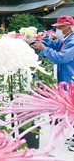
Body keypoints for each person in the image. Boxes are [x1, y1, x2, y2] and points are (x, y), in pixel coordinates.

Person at [33, 15, 74, 151]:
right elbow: (56, 44)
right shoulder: (66, 38)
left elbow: (62, 57)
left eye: (60, 27)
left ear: (68, 28)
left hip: (71, 77)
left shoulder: (73, 40)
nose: (58, 29)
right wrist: (44, 38)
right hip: (67, 77)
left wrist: (44, 49)